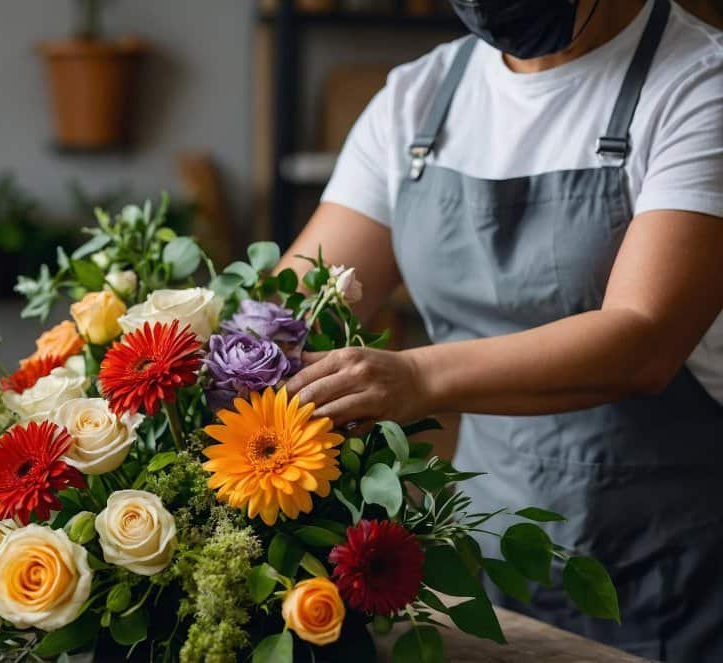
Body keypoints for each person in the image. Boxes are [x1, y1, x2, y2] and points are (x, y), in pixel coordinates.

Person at [279, 1, 723, 660]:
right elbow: (297, 308)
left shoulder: (698, 84)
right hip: (489, 557)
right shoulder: (419, 99)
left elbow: (643, 337)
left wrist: (419, 376)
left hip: (672, 568)